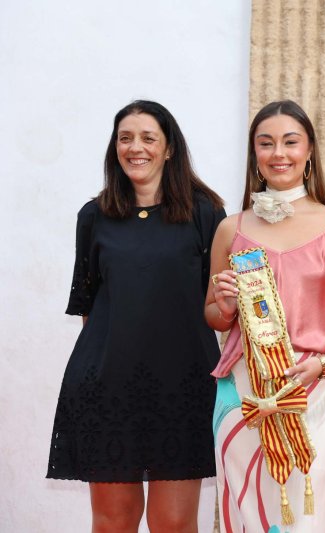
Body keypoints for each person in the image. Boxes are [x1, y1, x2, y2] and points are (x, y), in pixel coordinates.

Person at [47, 100, 226, 532]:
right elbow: (91, 309)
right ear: (114, 148)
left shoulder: (206, 214)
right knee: (113, 521)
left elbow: (219, 306)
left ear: (169, 149)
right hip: (107, 388)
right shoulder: (94, 217)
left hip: (182, 388)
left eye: (148, 138)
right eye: (125, 138)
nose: (135, 147)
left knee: (173, 523)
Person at [207, 99, 325, 532]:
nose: (278, 153)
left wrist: (323, 364)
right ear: (255, 156)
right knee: (250, 510)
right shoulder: (231, 228)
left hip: (320, 387)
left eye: (290, 142)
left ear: (309, 151)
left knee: (312, 511)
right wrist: (224, 303)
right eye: (266, 144)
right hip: (246, 391)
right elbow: (214, 315)